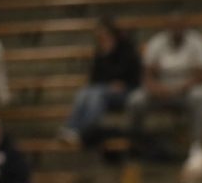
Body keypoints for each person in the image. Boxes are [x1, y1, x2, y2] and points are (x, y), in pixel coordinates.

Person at [125, 13, 202, 156]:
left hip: (187, 89)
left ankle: (199, 145)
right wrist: (155, 88)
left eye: (179, 26)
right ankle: (136, 142)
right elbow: (146, 74)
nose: (176, 29)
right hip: (160, 89)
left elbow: (201, 75)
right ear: (167, 27)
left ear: (185, 26)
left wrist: (180, 88)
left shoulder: (197, 42)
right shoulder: (156, 42)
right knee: (135, 100)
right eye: (173, 26)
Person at [58, 16, 142, 145]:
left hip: (126, 90)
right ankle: (70, 128)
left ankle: (82, 131)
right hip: (105, 89)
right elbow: (94, 78)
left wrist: (122, 83)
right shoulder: (100, 52)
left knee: (96, 94)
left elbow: (133, 73)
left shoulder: (126, 48)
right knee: (84, 92)